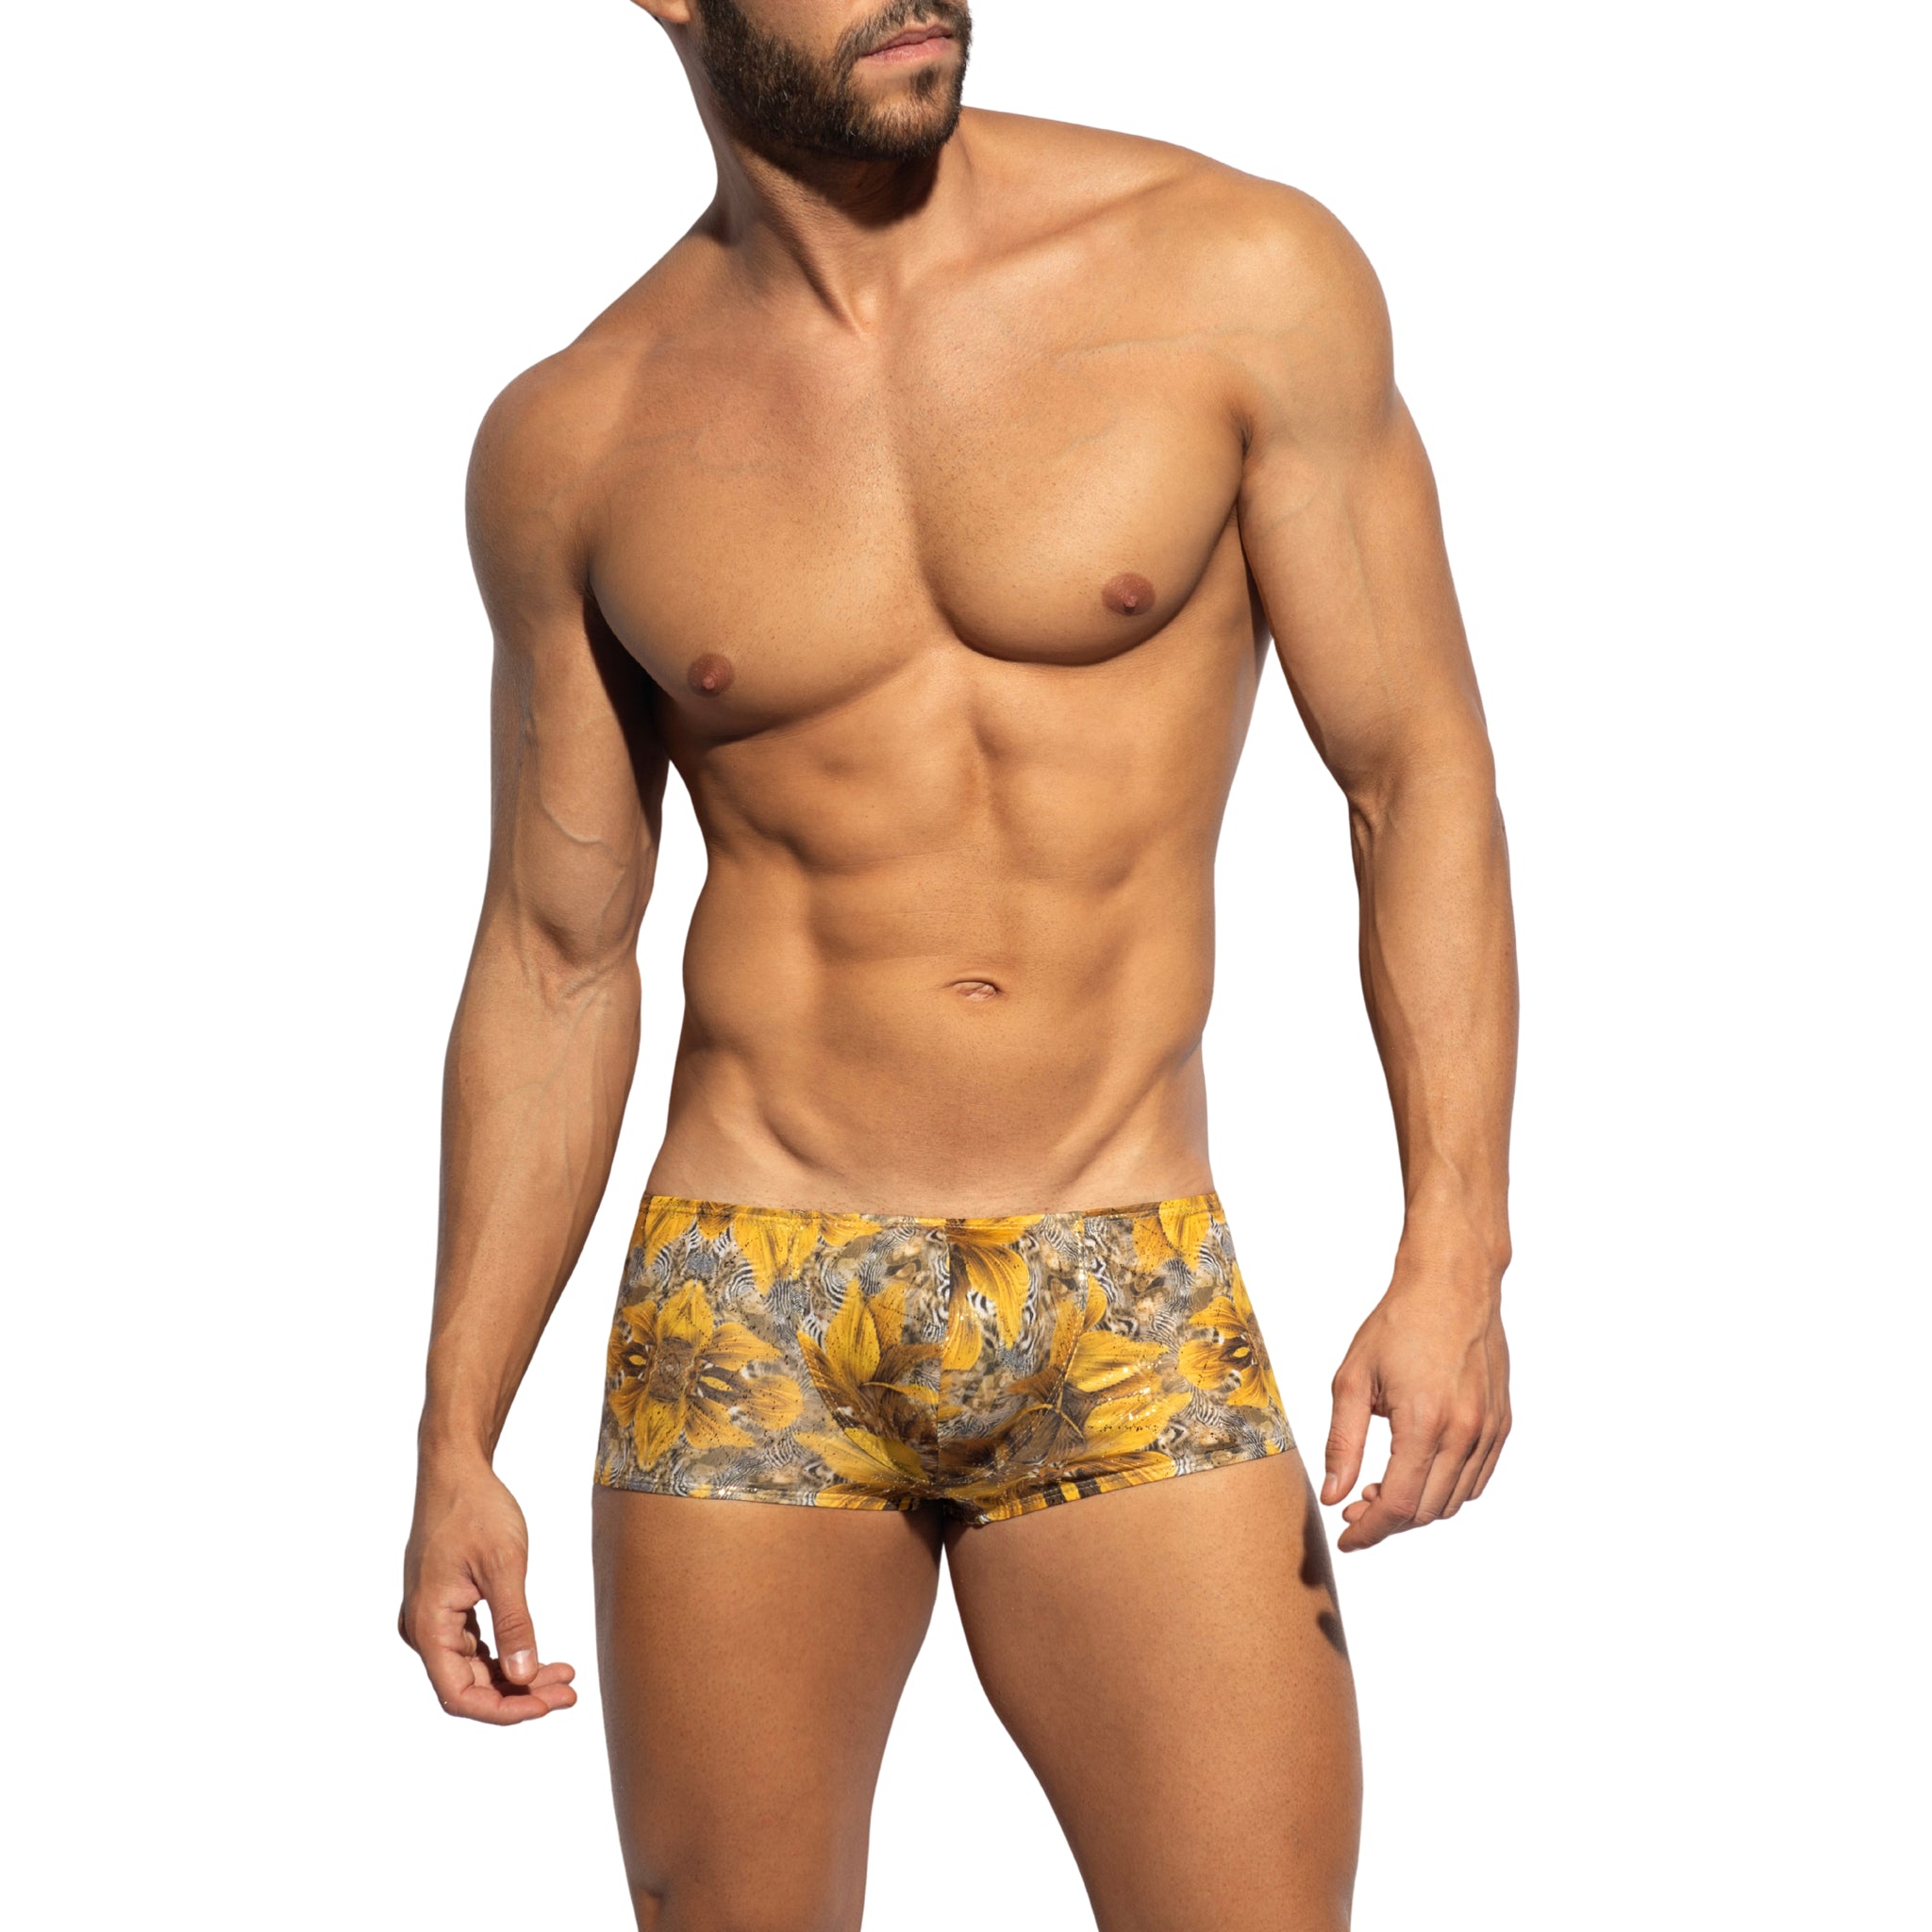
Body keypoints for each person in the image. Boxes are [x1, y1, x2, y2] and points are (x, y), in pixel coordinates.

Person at [398, 3, 1518, 1925]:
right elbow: (557, 951)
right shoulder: (576, 435)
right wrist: (454, 1430)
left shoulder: (1234, 277)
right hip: (747, 1302)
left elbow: (1412, 775)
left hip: (1120, 1270)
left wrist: (1455, 1249)